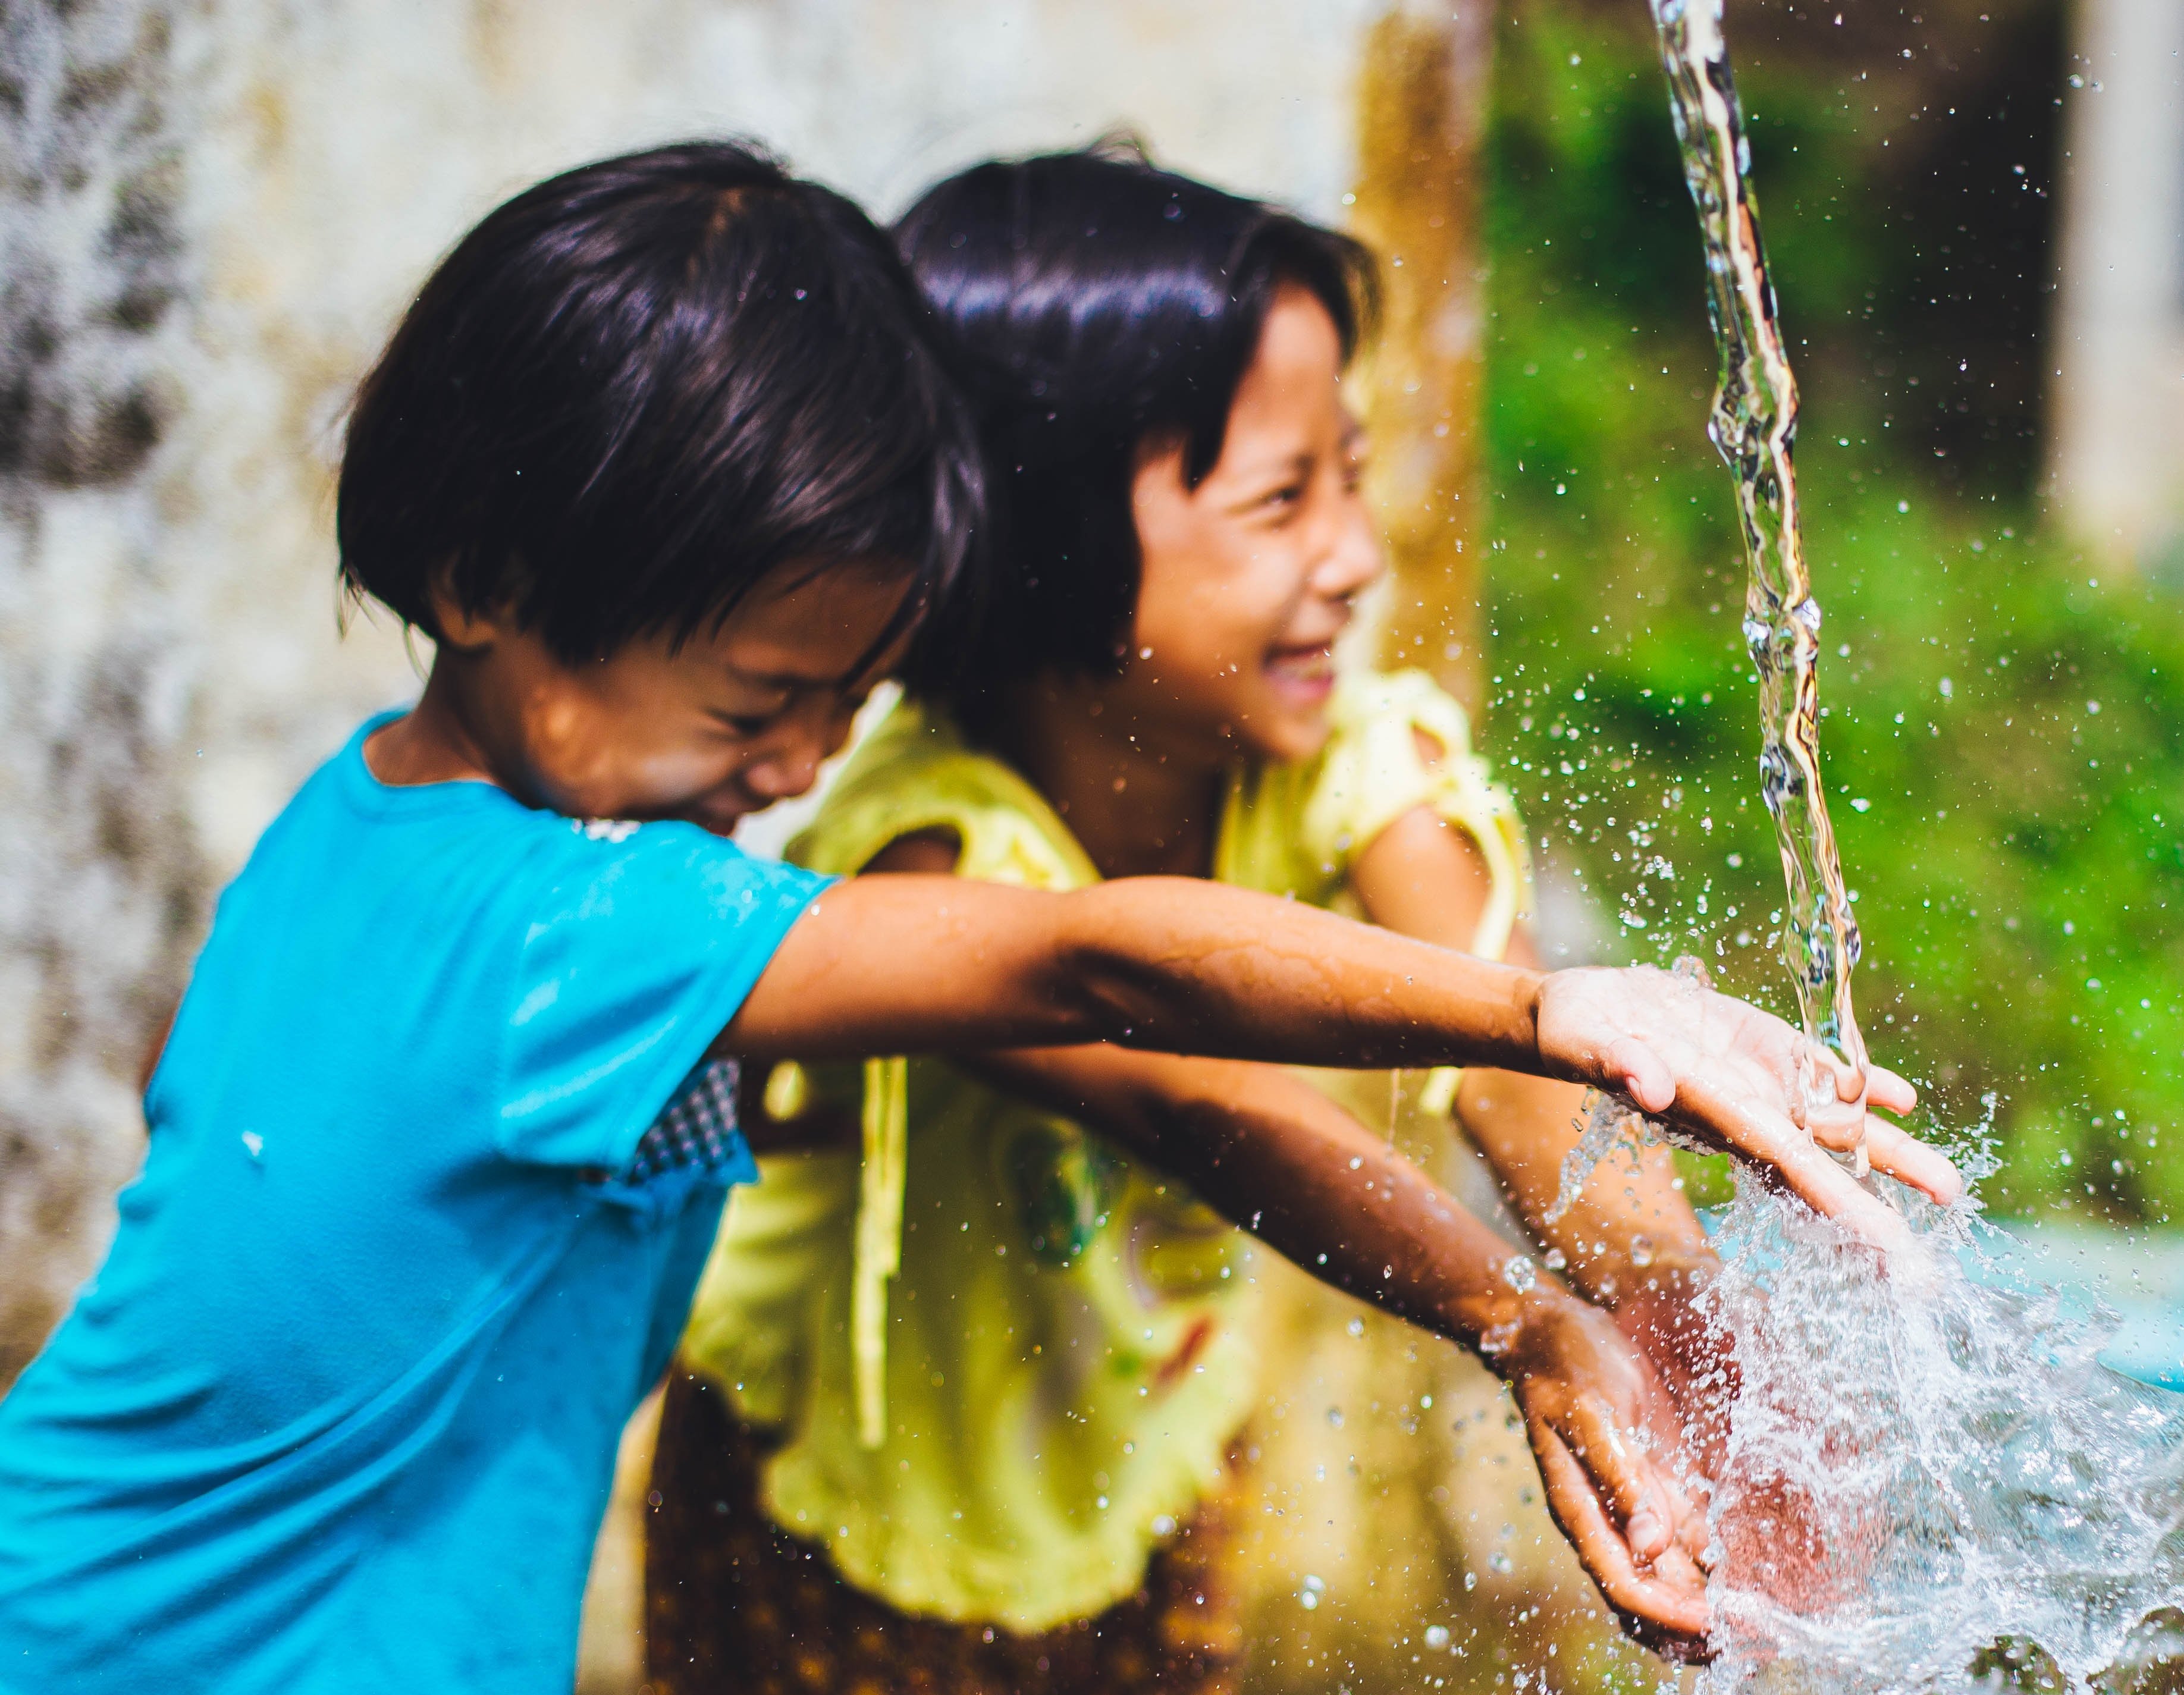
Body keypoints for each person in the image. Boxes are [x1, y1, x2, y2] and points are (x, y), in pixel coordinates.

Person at [0, 141, 1957, 1695]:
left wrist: (1588, 1307)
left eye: (847, 697)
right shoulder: (592, 919)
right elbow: (1101, 970)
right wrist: (1554, 1019)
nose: (798, 771)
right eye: (762, 706)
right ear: (490, 576)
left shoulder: (364, 817)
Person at [642, 147, 1763, 1695]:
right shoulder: (923, 847)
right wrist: (1514, 1319)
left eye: (1354, 474)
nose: (1356, 557)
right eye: (1282, 497)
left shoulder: (1341, 759)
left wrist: (1676, 1313)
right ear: (1044, 542)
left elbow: (1514, 1056)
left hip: (1151, 1459)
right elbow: (1198, 1098)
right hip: (833, 1515)